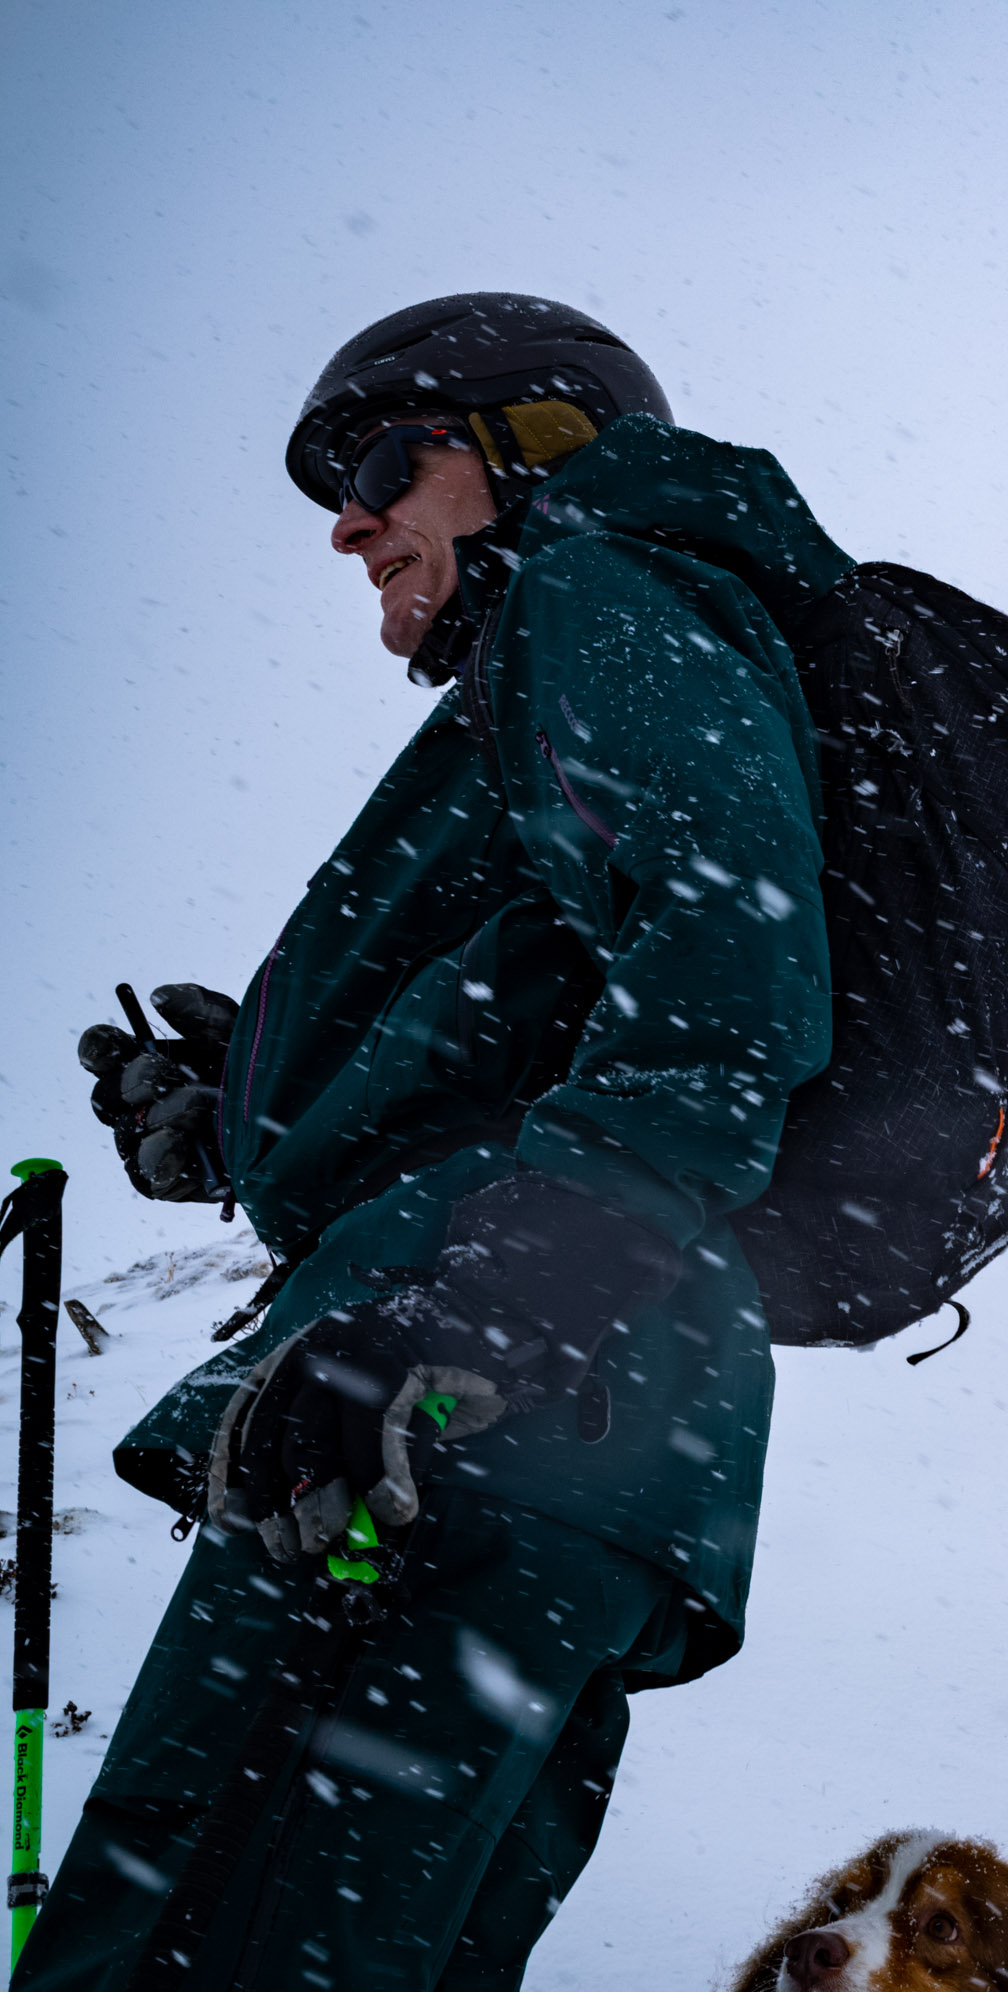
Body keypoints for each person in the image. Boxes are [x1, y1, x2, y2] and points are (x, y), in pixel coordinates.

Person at [33, 295, 843, 1989]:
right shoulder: (558, 663)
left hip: (452, 1412)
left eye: (384, 461)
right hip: (559, 1417)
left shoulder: (600, 589)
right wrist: (236, 1116)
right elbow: (531, 1024)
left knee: (189, 1946)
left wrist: (466, 1327)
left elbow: (724, 954)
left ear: (535, 445)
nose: (347, 521)